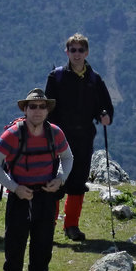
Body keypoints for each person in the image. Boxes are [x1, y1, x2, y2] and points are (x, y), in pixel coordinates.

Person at [0, 88, 72, 271]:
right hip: (20, 198)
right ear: (25, 110)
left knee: (42, 254)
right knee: (14, 255)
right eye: (32, 107)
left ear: (47, 110)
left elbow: (68, 157)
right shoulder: (14, 134)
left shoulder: (55, 133)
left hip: (45, 197)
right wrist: (14, 187)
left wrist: (60, 179)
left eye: (41, 106)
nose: (37, 110)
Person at [44, 33, 114, 241]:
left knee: (78, 180)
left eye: (80, 50)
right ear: (67, 52)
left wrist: (104, 114)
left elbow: (105, 106)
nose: (76, 54)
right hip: (58, 137)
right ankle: (48, 225)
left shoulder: (95, 79)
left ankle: (71, 226)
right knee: (53, 180)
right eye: (72, 50)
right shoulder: (55, 77)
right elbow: (48, 107)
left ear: (87, 52)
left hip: (83, 137)